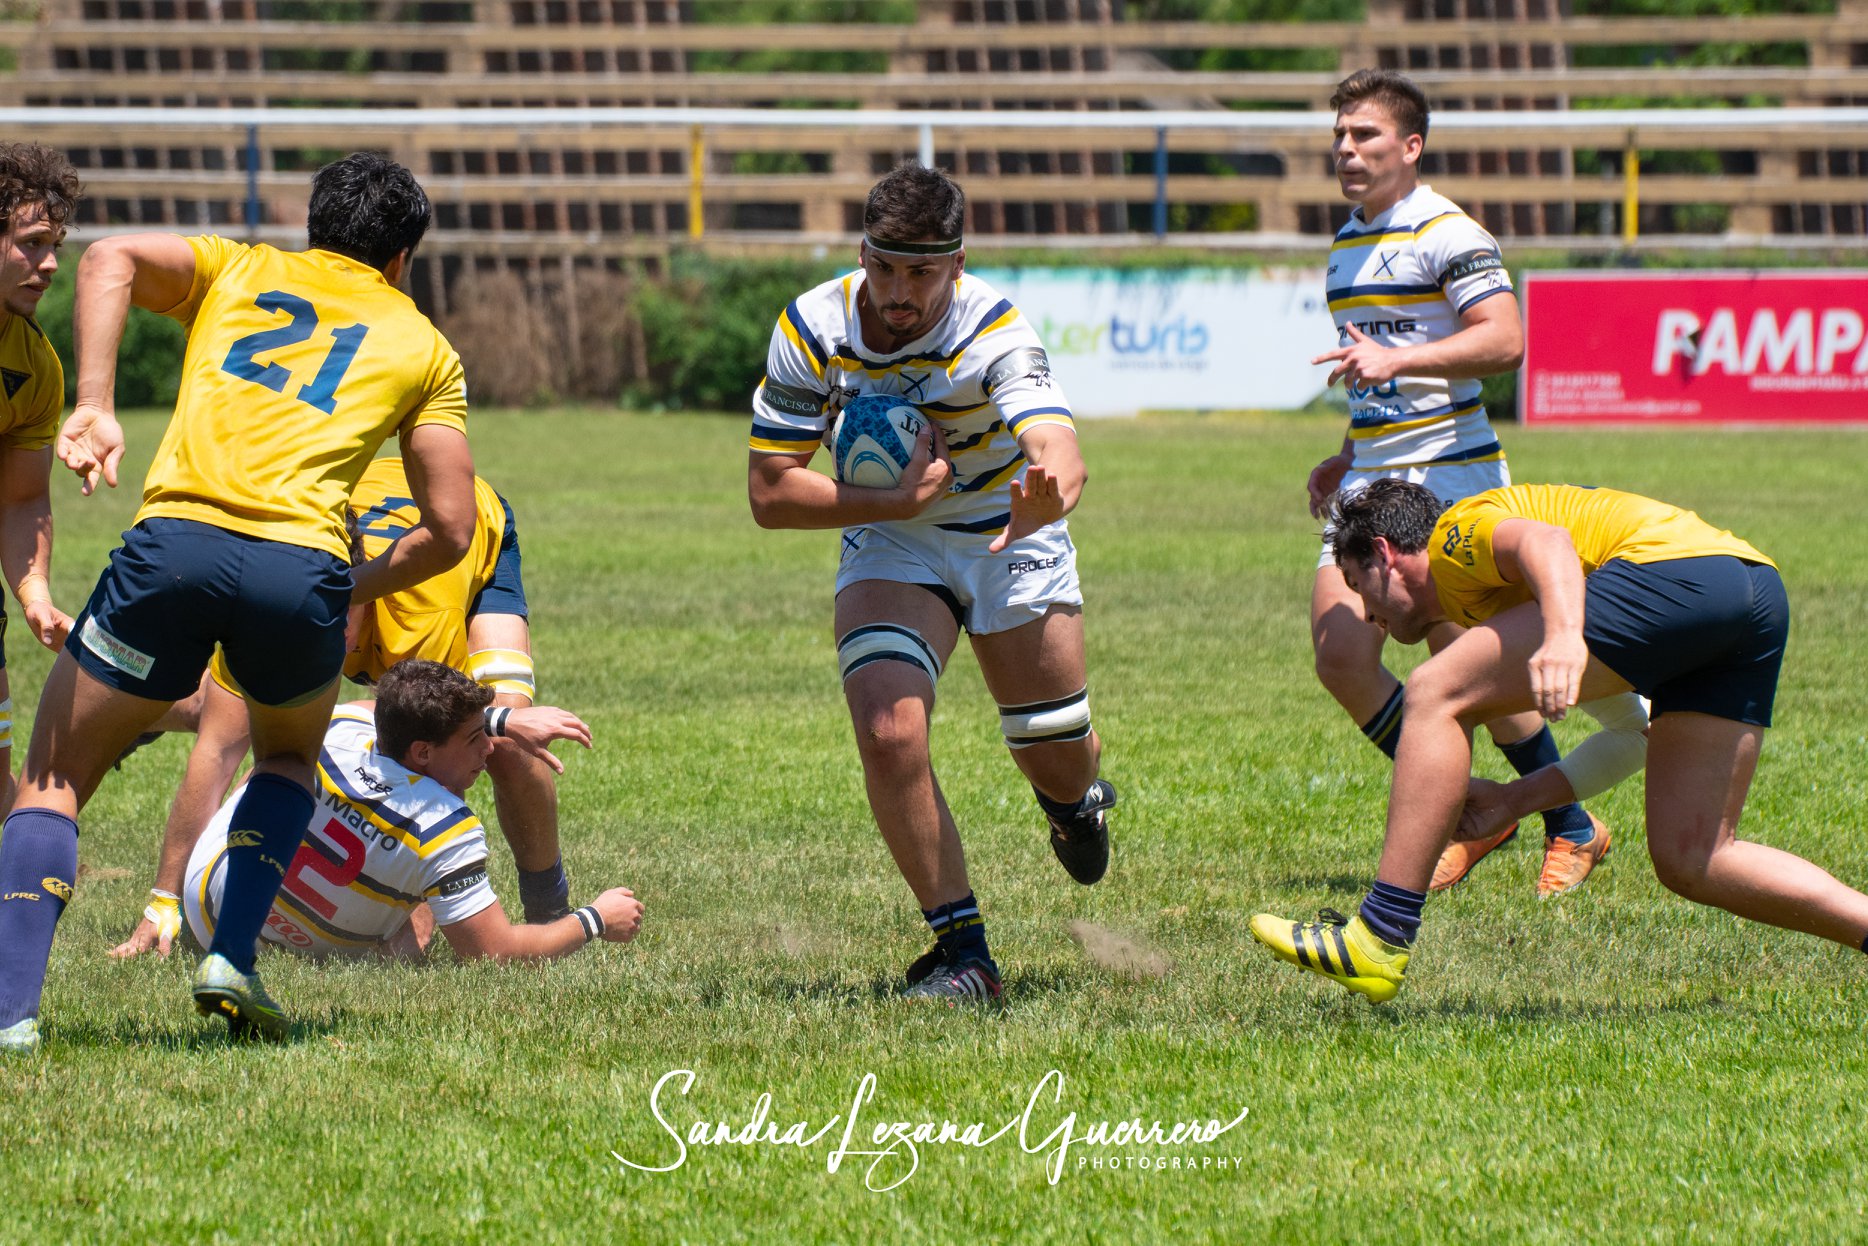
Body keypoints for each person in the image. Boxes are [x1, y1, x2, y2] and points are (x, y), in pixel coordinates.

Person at [0, 152, 477, 1055]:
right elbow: (450, 529)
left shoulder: (242, 266)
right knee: (289, 760)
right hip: (300, 573)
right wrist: (352, 583)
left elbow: (109, 259)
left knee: (55, 783)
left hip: (174, 548)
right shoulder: (425, 347)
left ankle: (12, 1017)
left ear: (311, 226)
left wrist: (96, 403)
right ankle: (231, 959)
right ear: (403, 260)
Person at [1251, 479, 1868, 1002]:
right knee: (1695, 858)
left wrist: (1566, 634)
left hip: (1679, 575)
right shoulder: (1533, 609)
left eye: (1360, 588)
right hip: (1753, 593)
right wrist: (1518, 801)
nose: (1366, 615)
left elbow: (1549, 542)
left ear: (1384, 555)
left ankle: (1379, 934)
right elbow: (1633, 732)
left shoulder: (1454, 538)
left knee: (1434, 688)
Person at [747, 162, 1116, 1002]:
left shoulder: (996, 332)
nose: (899, 291)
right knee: (888, 728)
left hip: (1003, 528)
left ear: (958, 261)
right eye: (883, 266)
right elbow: (770, 492)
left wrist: (1047, 491)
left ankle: (1074, 803)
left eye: (922, 271)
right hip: (890, 536)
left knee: (1055, 753)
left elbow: (1058, 446)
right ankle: (964, 955)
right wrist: (889, 500)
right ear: (862, 252)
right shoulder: (812, 326)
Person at [1304, 68, 1622, 897]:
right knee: (1344, 656)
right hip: (1373, 472)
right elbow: (1376, 369)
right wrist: (1347, 448)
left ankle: (1559, 820)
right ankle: (1492, 805)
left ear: (1411, 147)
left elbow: (1506, 339)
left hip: (1451, 474)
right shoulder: (1345, 243)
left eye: (1364, 135)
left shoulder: (1453, 233)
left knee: (1466, 660)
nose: (1346, 149)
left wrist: (1398, 358)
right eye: (1339, 135)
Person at [111, 459, 576, 959]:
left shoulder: (419, 614)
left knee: (505, 748)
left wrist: (409, 912)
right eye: (313, 614)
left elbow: (436, 753)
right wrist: (162, 902)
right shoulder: (273, 601)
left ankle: (549, 910)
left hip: (474, 537)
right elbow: (220, 750)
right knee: (233, 708)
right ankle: (135, 710)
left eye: (338, 610)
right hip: (348, 527)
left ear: (360, 585)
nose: (327, 630)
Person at [182, 659, 640, 964]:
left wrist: (496, 720)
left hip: (209, 907)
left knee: (273, 777)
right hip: (291, 958)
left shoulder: (340, 728)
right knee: (404, 936)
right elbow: (493, 952)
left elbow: (376, 709)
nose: (489, 749)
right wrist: (595, 919)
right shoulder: (445, 827)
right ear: (422, 752)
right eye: (474, 738)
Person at [0, 143, 81, 810]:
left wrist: (33, 591)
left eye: (53, 245)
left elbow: (22, 497)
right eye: (31, 244)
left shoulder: (36, 367)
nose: (50, 264)